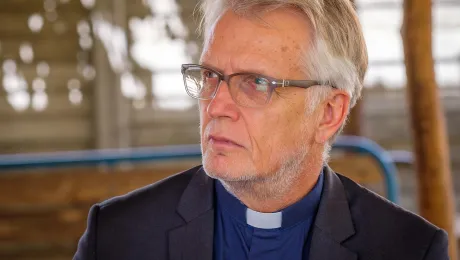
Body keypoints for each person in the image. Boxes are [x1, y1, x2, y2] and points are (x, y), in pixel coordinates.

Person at [74, 0, 449, 259]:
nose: (216, 106)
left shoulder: (409, 249)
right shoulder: (118, 235)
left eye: (255, 83)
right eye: (210, 75)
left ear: (328, 113)